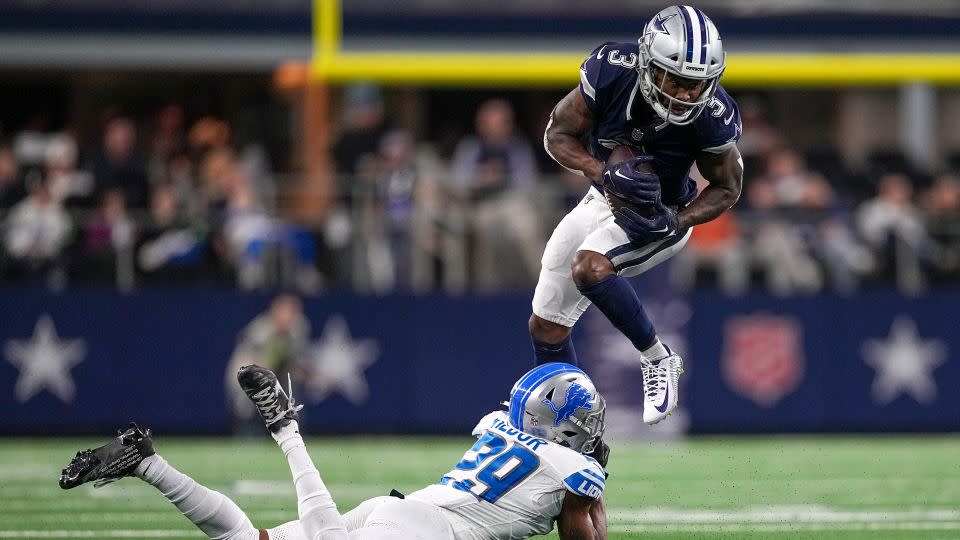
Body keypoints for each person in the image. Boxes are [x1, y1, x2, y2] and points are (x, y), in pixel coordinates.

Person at [59, 362, 609, 539]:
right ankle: (285, 429)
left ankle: (146, 461)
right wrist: (594, 482)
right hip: (426, 533)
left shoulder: (496, 426)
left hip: (399, 512)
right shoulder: (574, 466)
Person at [530, 5, 743, 424]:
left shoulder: (713, 116)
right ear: (648, 63)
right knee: (545, 325)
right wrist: (602, 173)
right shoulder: (611, 70)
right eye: (678, 80)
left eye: (697, 85)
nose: (686, 94)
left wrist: (678, 222)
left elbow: (728, 187)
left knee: (589, 268)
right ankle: (562, 428)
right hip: (602, 198)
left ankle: (658, 357)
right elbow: (557, 135)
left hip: (662, 213)